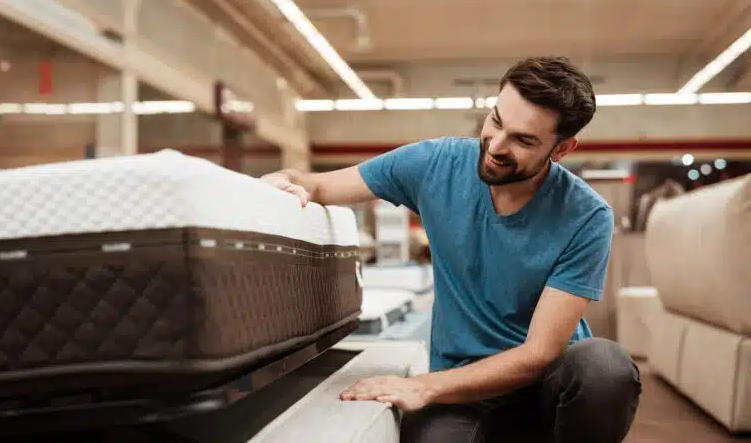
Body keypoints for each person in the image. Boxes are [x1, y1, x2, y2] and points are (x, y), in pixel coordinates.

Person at [260, 56, 641, 442]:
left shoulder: (586, 216)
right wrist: (282, 184)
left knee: (606, 367)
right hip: (463, 390)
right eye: (495, 121)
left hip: (548, 389)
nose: (496, 145)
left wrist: (423, 387)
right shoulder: (436, 163)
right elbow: (318, 185)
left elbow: (540, 354)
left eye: (523, 140)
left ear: (561, 149)